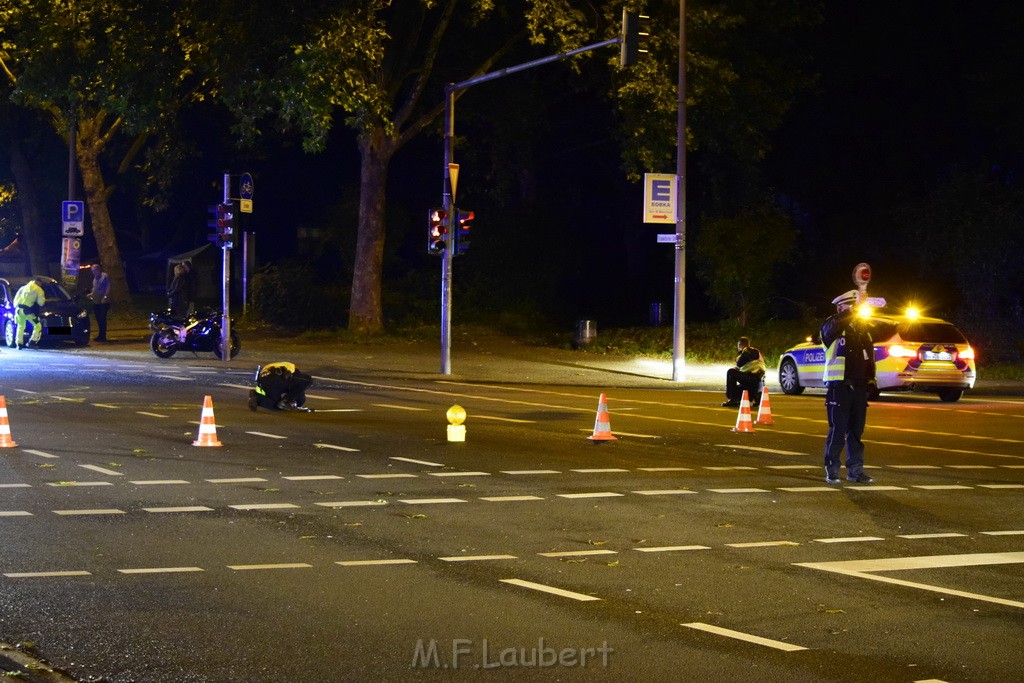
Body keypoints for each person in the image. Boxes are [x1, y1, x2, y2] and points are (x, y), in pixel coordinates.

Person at [820, 290, 877, 484]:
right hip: (839, 387)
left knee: (856, 432)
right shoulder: (832, 326)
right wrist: (851, 311)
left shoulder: (863, 330)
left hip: (859, 389)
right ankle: (832, 470)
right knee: (837, 431)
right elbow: (831, 328)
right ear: (840, 308)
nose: (857, 310)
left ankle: (856, 471)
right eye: (851, 306)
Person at [248, 362, 314, 412]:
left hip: (264, 381)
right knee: (308, 380)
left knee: (277, 406)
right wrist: (289, 400)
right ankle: (285, 401)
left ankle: (258, 399)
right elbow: (299, 394)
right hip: (276, 376)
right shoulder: (295, 372)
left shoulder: (289, 385)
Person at [721, 336, 766, 407]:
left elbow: (738, 366)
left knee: (730, 372)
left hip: (751, 381)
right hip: (758, 387)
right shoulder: (757, 352)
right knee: (738, 387)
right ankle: (755, 398)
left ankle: (733, 400)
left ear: (739, 345)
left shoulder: (745, 351)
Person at [13, 278, 46, 349]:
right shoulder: (39, 289)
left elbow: (15, 299)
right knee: (37, 325)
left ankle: (19, 344)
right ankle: (32, 342)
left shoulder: (23, 288)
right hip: (28, 311)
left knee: (21, 326)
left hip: (18, 310)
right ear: (39, 283)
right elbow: (41, 303)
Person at [87, 263, 111, 342]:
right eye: (92, 271)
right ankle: (100, 335)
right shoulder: (95, 279)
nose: (93, 272)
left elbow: (108, 287)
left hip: (102, 300)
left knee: (102, 318)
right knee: (98, 318)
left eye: (94, 271)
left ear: (98, 270)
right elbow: (95, 288)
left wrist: (105, 297)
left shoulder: (104, 276)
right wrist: (91, 294)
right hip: (96, 300)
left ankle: (103, 336)